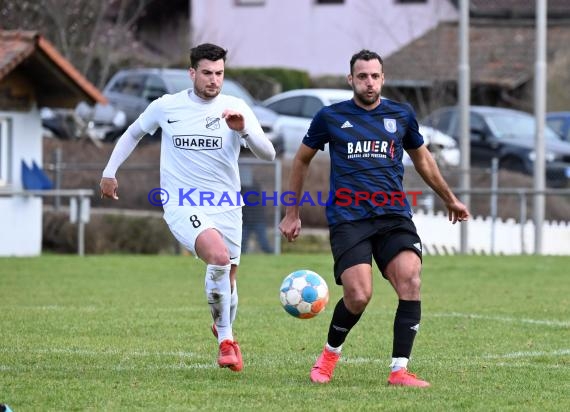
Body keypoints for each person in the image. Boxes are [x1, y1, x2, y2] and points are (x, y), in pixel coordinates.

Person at [279, 49, 469, 387]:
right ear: (350, 79)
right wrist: (292, 213)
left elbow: (423, 161)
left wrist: (450, 199)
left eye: (375, 76)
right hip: (349, 218)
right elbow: (301, 161)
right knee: (359, 295)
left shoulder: (401, 114)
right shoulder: (330, 117)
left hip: (393, 215)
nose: (369, 82)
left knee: (410, 279)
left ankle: (399, 370)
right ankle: (328, 356)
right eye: (363, 76)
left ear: (383, 78)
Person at [100, 43, 276, 372]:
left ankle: (222, 325)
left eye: (219, 73)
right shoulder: (167, 106)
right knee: (219, 258)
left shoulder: (235, 107)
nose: (214, 80)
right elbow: (132, 133)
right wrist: (109, 172)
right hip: (182, 202)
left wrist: (245, 131)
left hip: (226, 204)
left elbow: (269, 153)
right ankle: (226, 341)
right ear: (192, 73)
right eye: (207, 73)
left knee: (229, 280)